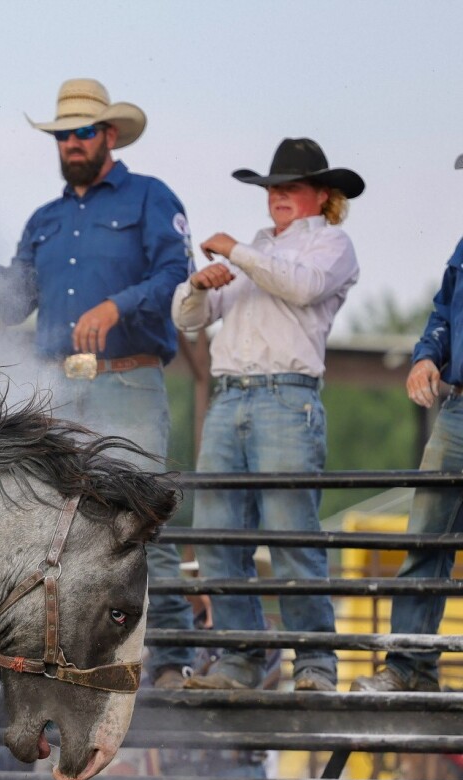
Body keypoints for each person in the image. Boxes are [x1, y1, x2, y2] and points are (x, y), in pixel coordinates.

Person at [0, 79, 195, 688]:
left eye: (83, 132)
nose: (72, 142)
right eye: (63, 134)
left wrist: (118, 306)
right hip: (60, 388)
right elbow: (13, 303)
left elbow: (174, 272)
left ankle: (174, 653)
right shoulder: (46, 219)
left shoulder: (149, 198)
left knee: (137, 515)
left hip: (126, 380)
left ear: (109, 135)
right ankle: (74, 655)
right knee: (60, 520)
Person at [173, 138, 363, 692]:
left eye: (290, 187)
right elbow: (189, 319)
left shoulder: (332, 244)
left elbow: (301, 288)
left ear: (322, 196)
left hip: (286, 395)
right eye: (272, 188)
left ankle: (314, 661)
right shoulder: (256, 251)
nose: (278, 195)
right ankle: (241, 657)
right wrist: (195, 285)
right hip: (233, 395)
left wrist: (234, 252)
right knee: (217, 535)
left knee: (290, 534)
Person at [352, 154, 463, 694]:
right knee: (425, 538)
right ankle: (410, 668)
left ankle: (410, 668)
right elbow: (442, 314)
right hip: (458, 409)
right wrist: (426, 356)